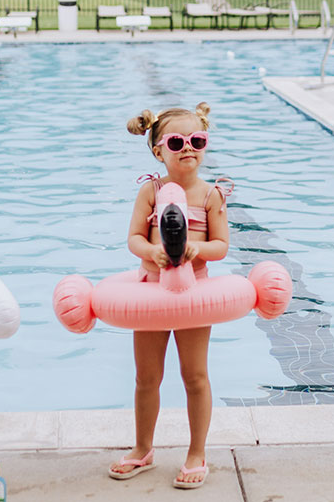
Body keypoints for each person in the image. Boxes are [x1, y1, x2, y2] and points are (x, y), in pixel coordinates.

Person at [109, 102, 231, 490]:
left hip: (194, 295)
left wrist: (198, 250)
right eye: (176, 142)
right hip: (151, 294)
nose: (188, 148)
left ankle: (197, 452)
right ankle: (143, 449)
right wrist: (151, 253)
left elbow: (221, 245)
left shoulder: (211, 195)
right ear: (158, 150)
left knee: (194, 376)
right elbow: (133, 239)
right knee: (147, 377)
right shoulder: (152, 189)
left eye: (197, 140)